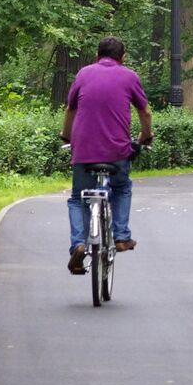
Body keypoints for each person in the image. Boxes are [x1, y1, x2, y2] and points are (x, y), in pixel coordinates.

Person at [59, 36, 152, 275]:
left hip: (84, 151)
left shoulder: (83, 74)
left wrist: (67, 135)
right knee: (121, 188)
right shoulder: (129, 76)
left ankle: (78, 244)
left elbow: (71, 108)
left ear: (97, 55)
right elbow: (145, 112)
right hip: (118, 151)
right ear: (122, 57)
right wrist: (145, 137)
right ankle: (121, 236)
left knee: (78, 198)